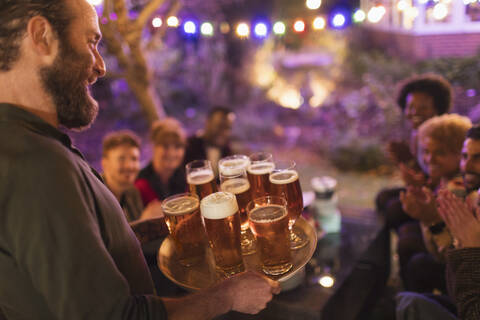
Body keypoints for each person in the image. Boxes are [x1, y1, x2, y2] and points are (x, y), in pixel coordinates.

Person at [0, 1, 279, 319]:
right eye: (91, 41)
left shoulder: (23, 146)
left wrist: (141, 230)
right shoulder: (36, 164)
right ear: (41, 36)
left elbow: (56, 261)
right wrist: (228, 295)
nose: (101, 66)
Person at [399, 114, 471, 293]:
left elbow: (442, 254)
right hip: (445, 250)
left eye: (440, 152)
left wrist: (427, 218)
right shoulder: (447, 178)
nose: (429, 159)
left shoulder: (458, 188)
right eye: (426, 151)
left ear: (460, 153)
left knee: (415, 257)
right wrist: (421, 186)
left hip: (457, 271)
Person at [376, 73, 453, 229]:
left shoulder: (441, 136)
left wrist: (409, 161)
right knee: (383, 198)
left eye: (423, 107)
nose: (414, 113)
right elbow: (422, 176)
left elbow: (439, 183)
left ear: (438, 109)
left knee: (394, 209)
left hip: (444, 199)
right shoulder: (417, 134)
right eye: (410, 107)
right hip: (427, 189)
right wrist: (405, 161)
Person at [135, 118, 187, 206]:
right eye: (165, 146)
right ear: (153, 146)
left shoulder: (186, 179)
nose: (172, 153)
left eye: (177, 146)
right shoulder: (139, 185)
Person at [183, 106, 234, 173]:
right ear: (207, 122)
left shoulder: (227, 149)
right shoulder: (189, 146)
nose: (223, 132)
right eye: (219, 126)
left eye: (227, 128)